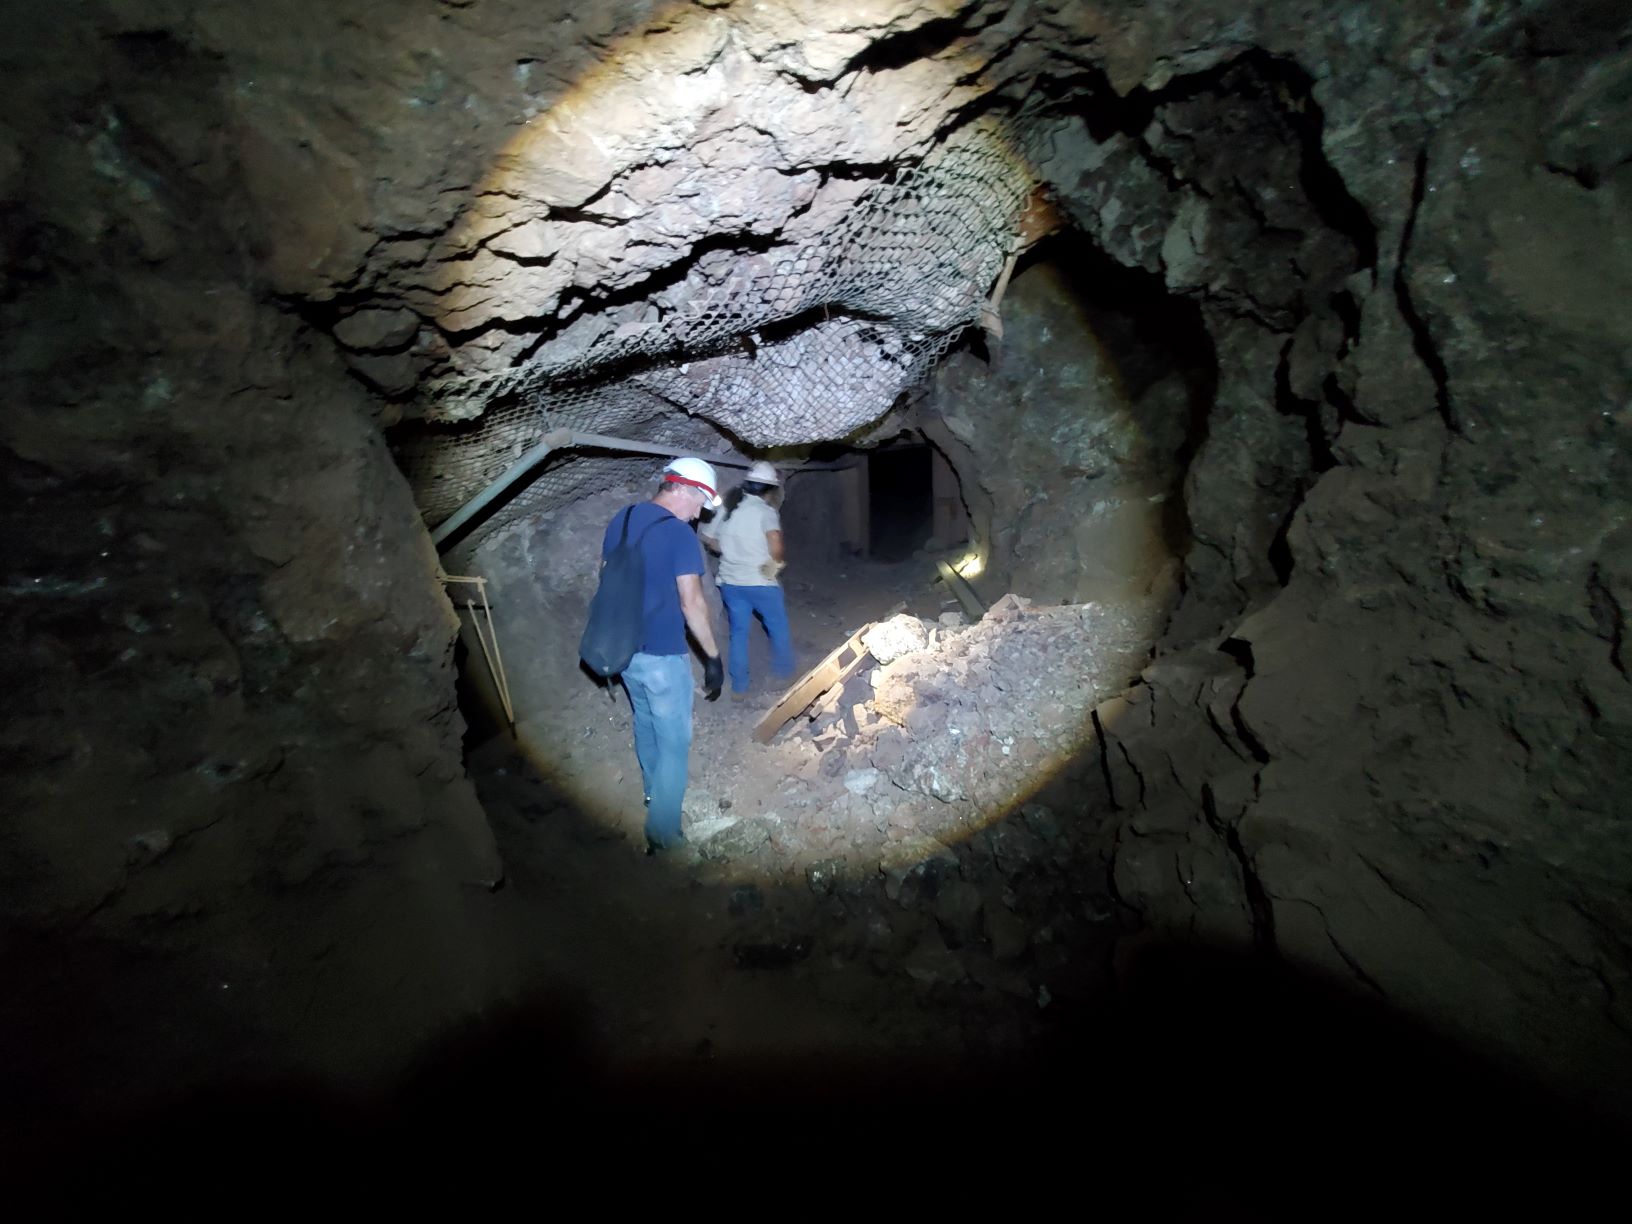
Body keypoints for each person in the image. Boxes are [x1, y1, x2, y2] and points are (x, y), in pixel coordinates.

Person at [602, 457, 725, 854]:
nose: (698, 516)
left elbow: (608, 578)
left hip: (623, 651)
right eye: (700, 506)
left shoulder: (622, 519)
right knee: (674, 740)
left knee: (644, 721)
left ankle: (654, 795)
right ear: (685, 491)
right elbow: (692, 604)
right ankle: (664, 835)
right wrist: (712, 657)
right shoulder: (679, 535)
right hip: (661, 652)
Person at [701, 460, 795, 701]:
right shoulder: (766, 511)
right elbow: (775, 544)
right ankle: (783, 674)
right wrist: (773, 566)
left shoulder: (728, 507)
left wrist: (733, 551)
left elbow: (708, 538)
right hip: (761, 581)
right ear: (768, 489)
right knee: (777, 626)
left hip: (731, 584)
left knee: (739, 633)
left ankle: (739, 687)